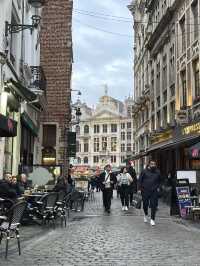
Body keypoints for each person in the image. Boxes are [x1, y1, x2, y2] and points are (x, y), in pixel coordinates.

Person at [138, 160, 161, 226]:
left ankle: (152, 219)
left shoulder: (158, 172)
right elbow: (140, 180)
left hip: (154, 191)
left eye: (154, 164)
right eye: (152, 164)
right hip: (145, 190)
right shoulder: (144, 171)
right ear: (149, 165)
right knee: (145, 204)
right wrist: (139, 189)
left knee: (154, 205)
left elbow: (160, 180)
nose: (153, 165)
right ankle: (145, 214)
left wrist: (158, 187)